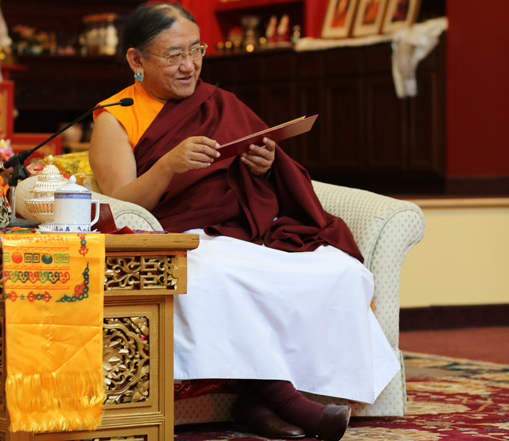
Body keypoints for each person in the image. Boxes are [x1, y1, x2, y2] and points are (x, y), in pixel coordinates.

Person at [89, 3, 400, 441]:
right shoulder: (116, 116)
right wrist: (167, 166)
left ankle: (257, 402)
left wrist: (264, 167)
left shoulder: (221, 102)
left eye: (196, 50)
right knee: (210, 275)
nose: (189, 65)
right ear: (136, 59)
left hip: (244, 227)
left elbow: (260, 176)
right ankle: (281, 399)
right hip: (176, 234)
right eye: (174, 55)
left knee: (338, 270)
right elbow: (119, 206)